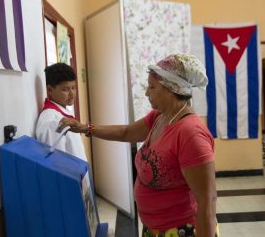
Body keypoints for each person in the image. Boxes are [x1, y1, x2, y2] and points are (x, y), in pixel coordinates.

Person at [60, 54, 218, 237]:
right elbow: (127, 132)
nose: (146, 92)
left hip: (181, 230)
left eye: (152, 87)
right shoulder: (160, 116)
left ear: (172, 88)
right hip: (155, 228)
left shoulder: (191, 133)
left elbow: (207, 200)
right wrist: (85, 128)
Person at [36, 62, 87, 162]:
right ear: (50, 90)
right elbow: (56, 165)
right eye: (65, 89)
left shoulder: (63, 113)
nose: (72, 94)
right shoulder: (51, 121)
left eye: (73, 87)